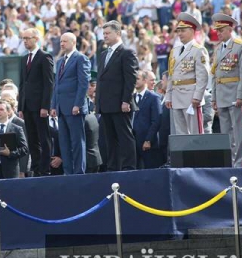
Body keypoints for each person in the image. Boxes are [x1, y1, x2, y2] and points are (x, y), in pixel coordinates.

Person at [96, 21, 138, 171]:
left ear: (118, 33)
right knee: (110, 139)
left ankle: (128, 167)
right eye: (104, 33)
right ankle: (113, 167)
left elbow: (130, 79)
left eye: (108, 33)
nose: (105, 36)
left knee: (125, 137)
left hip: (121, 104)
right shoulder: (102, 54)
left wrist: (126, 100)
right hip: (105, 104)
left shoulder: (127, 52)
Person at [211, 13, 242, 168]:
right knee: (226, 132)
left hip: (234, 93)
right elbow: (215, 74)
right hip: (221, 93)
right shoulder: (218, 48)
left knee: (239, 131)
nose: (218, 33)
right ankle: (230, 161)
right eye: (217, 30)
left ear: (229, 29)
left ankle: (240, 162)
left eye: (221, 30)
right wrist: (214, 97)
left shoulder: (240, 46)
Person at [50, 33, 90, 175]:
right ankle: (68, 172)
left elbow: (83, 83)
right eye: (61, 41)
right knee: (65, 143)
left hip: (74, 108)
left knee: (77, 142)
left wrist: (77, 104)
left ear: (73, 42)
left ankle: (79, 172)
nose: (62, 44)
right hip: (61, 108)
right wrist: (54, 105)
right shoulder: (60, 61)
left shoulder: (80, 59)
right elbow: (57, 85)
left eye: (65, 41)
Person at [164, 12, 209, 135]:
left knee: (196, 133)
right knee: (180, 134)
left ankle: (199, 155)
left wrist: (198, 96)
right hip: (176, 95)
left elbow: (203, 76)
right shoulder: (175, 51)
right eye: (178, 31)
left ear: (191, 31)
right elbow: (171, 75)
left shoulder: (198, 50)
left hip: (191, 96)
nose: (179, 34)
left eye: (183, 31)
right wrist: (168, 95)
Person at [18, 28, 54, 176]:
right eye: (23, 38)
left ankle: (45, 168)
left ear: (36, 39)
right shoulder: (24, 59)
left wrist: (45, 106)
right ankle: (36, 167)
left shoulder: (44, 57)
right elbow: (22, 84)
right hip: (27, 106)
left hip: (40, 106)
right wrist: (21, 106)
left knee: (43, 138)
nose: (25, 41)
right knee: (32, 138)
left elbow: (49, 83)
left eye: (28, 38)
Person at [133, 70, 163, 169]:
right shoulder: (131, 98)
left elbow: (156, 121)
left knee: (151, 170)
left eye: (137, 78)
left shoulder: (154, 98)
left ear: (145, 80)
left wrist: (148, 140)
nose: (135, 81)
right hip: (134, 142)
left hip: (149, 143)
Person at [0, 100, 28, 179]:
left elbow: (24, 149)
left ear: (8, 112)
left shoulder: (17, 129)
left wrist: (10, 153)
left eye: (1, 109)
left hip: (11, 170)